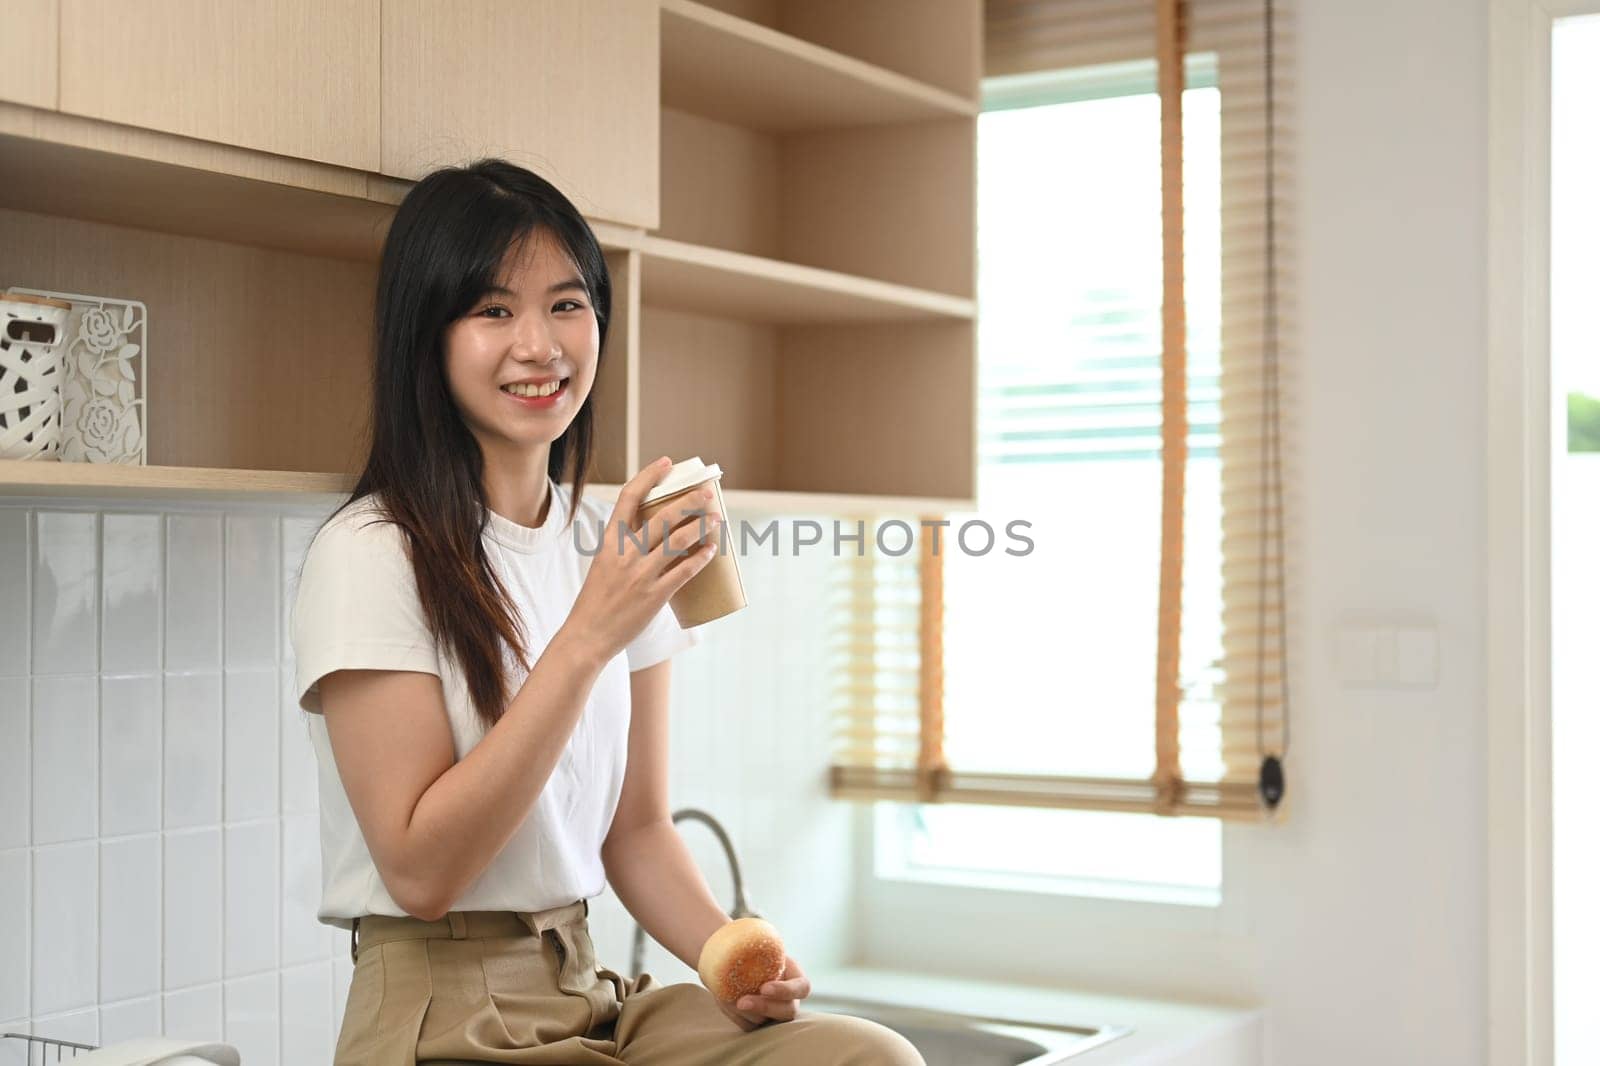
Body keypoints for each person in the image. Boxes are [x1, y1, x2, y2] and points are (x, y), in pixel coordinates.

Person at [289, 159, 923, 1066]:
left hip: (590, 991)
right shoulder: (371, 553)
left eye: (567, 304)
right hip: (442, 1013)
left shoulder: (613, 538)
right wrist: (589, 635)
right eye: (494, 310)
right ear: (425, 334)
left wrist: (728, 958)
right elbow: (421, 872)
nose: (540, 345)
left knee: (867, 1057)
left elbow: (637, 830)